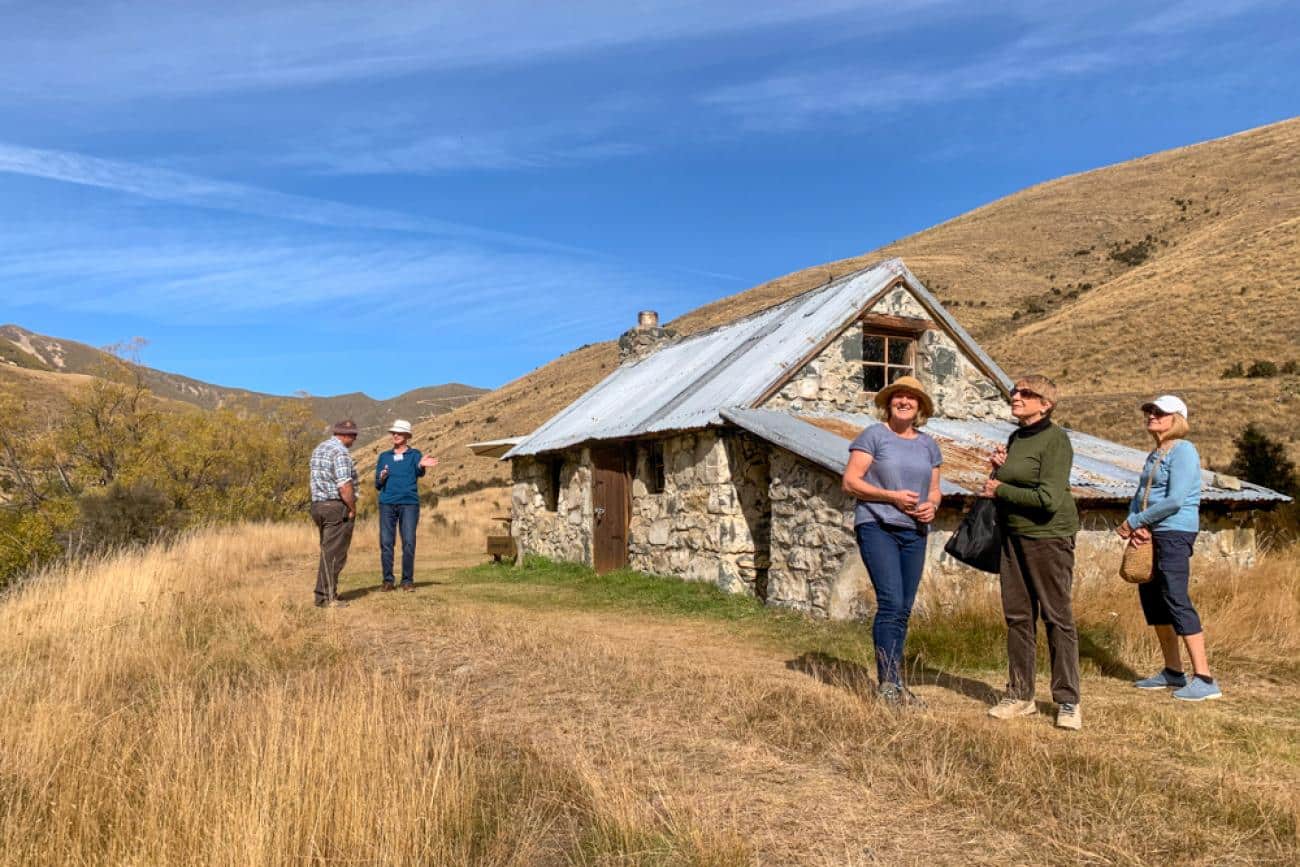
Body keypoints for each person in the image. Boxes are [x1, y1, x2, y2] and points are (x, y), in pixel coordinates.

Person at [982, 375, 1083, 731]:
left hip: (1048, 537)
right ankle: (1020, 695)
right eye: (1015, 391)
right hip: (1014, 537)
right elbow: (1013, 482)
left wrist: (1000, 489)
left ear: (1046, 404)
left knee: (1057, 618)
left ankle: (1068, 700)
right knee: (1018, 618)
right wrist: (1000, 469)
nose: (1016, 396)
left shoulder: (1056, 440)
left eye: (1026, 393)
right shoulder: (1016, 436)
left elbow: (1048, 499)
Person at [842, 375, 943, 707]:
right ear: (888, 403)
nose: (904, 401)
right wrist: (891, 497)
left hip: (914, 531)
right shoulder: (873, 436)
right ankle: (887, 685)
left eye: (912, 398)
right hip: (878, 525)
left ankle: (896, 683)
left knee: (903, 609)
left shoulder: (929, 445)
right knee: (890, 603)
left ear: (920, 408)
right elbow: (851, 482)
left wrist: (932, 506)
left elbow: (934, 490)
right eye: (898, 396)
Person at [1117, 395, 1221, 701]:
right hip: (1151, 532)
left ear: (1176, 418)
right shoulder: (1155, 454)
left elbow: (1175, 499)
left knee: (1175, 597)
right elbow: (1140, 495)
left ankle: (1204, 677)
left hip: (1175, 532)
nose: (1151, 415)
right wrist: (1136, 524)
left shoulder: (1185, 451)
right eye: (1149, 411)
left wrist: (1136, 520)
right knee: (1153, 599)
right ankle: (1173, 671)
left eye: (1158, 412)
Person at [375, 419, 439, 592]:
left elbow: (419, 470)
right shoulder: (384, 457)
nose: (395, 435)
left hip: (409, 504)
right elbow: (377, 484)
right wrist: (382, 477)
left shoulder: (415, 455)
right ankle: (388, 581)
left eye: (399, 433)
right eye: (393, 433)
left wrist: (421, 464)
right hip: (387, 504)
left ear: (407, 436)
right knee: (386, 542)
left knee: (409, 542)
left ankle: (407, 581)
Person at [309, 419, 360, 608]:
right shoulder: (340, 452)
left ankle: (325, 594)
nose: (354, 440)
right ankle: (326, 597)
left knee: (327, 551)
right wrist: (352, 508)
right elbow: (344, 485)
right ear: (346, 435)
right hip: (335, 507)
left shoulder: (320, 449)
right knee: (335, 554)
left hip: (317, 505)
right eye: (354, 436)